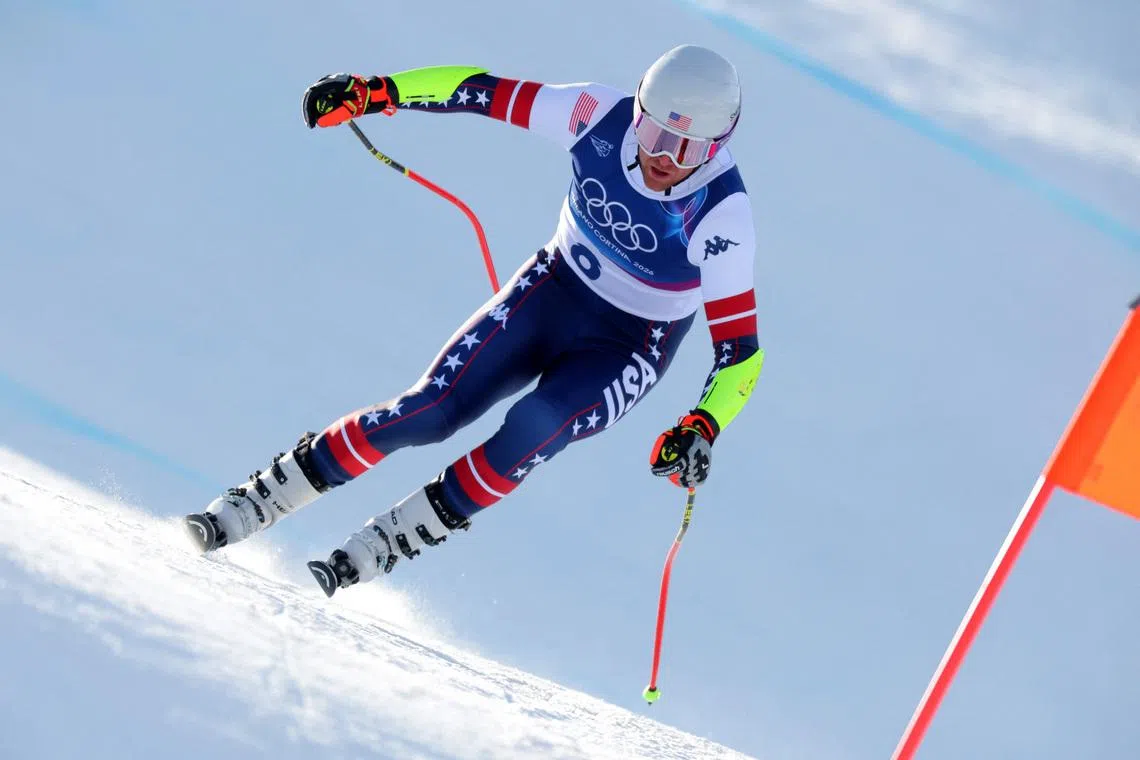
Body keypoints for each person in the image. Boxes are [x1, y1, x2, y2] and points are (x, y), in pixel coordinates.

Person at [183, 44, 765, 598]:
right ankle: (258, 499)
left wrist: (703, 425)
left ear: (719, 146)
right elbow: (476, 90)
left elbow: (740, 351)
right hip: (553, 289)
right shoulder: (595, 114)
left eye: (690, 150)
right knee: (428, 412)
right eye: (657, 133)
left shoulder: (722, 215)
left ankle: (389, 541)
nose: (666, 157)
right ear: (637, 111)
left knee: (536, 424)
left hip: (627, 346)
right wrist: (378, 92)